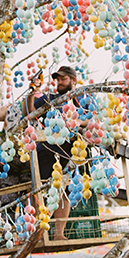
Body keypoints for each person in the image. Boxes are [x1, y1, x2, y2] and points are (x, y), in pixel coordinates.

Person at [28, 66, 80, 240]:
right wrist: (33, 91)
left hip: (70, 151)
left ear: (73, 80)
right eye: (57, 79)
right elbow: (32, 110)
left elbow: (92, 117)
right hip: (47, 150)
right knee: (40, 189)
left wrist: (78, 123)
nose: (59, 83)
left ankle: (59, 233)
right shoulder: (51, 98)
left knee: (64, 191)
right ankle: (36, 232)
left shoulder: (83, 97)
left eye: (63, 79)